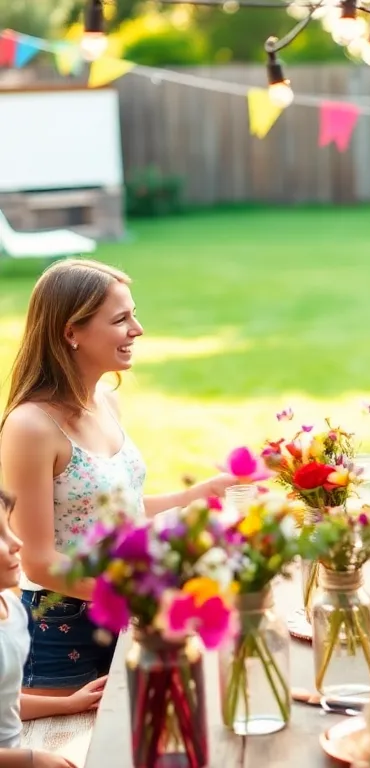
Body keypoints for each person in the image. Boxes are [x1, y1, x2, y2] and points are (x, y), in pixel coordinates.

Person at [0, 260, 236, 695]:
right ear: (71, 332)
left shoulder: (106, 402)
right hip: (64, 630)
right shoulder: (30, 427)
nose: (138, 329)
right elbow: (38, 560)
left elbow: (108, 509)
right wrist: (144, 600)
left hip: (123, 610)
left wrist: (196, 495)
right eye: (120, 319)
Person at [0, 489, 103, 768]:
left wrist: (69, 704)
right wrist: (31, 759)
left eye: (9, 528)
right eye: (0, 535)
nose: (17, 542)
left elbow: (4, 704)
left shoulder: (11, 608)